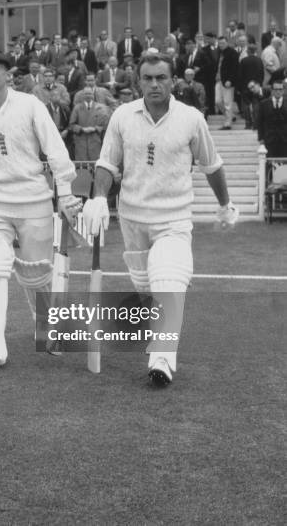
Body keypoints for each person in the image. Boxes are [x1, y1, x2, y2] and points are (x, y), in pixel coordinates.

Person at [82, 53, 238, 385]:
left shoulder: (191, 118)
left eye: (161, 78)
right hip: (132, 218)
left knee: (168, 278)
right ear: (138, 81)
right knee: (147, 288)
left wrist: (225, 205)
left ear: (173, 80)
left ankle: (162, 359)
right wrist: (97, 197)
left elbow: (212, 166)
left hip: (174, 218)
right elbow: (107, 164)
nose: (155, 84)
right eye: (148, 78)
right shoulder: (123, 116)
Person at [0, 51, 82, 374]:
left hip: (33, 199)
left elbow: (55, 150)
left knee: (37, 273)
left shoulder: (31, 106)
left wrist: (66, 194)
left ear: (8, 76)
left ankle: (49, 328)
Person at [257, 81, 287, 157]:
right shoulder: (264, 104)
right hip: (269, 140)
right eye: (276, 89)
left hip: (285, 140)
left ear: (283, 90)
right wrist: (261, 138)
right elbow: (260, 122)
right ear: (272, 90)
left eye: (280, 89)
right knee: (269, 164)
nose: (278, 91)